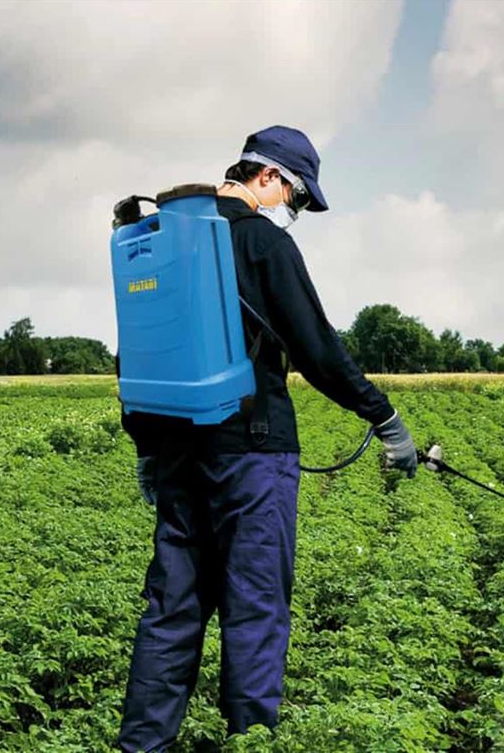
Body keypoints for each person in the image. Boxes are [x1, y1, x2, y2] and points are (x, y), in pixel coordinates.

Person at [116, 125, 419, 752]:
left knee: (171, 608)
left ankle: (143, 746)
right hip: (252, 454)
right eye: (297, 198)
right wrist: (383, 418)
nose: (292, 210)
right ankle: (251, 742)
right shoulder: (261, 242)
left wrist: (147, 451)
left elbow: (138, 351)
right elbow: (318, 349)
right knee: (254, 608)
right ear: (270, 177)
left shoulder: (160, 243)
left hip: (175, 451)